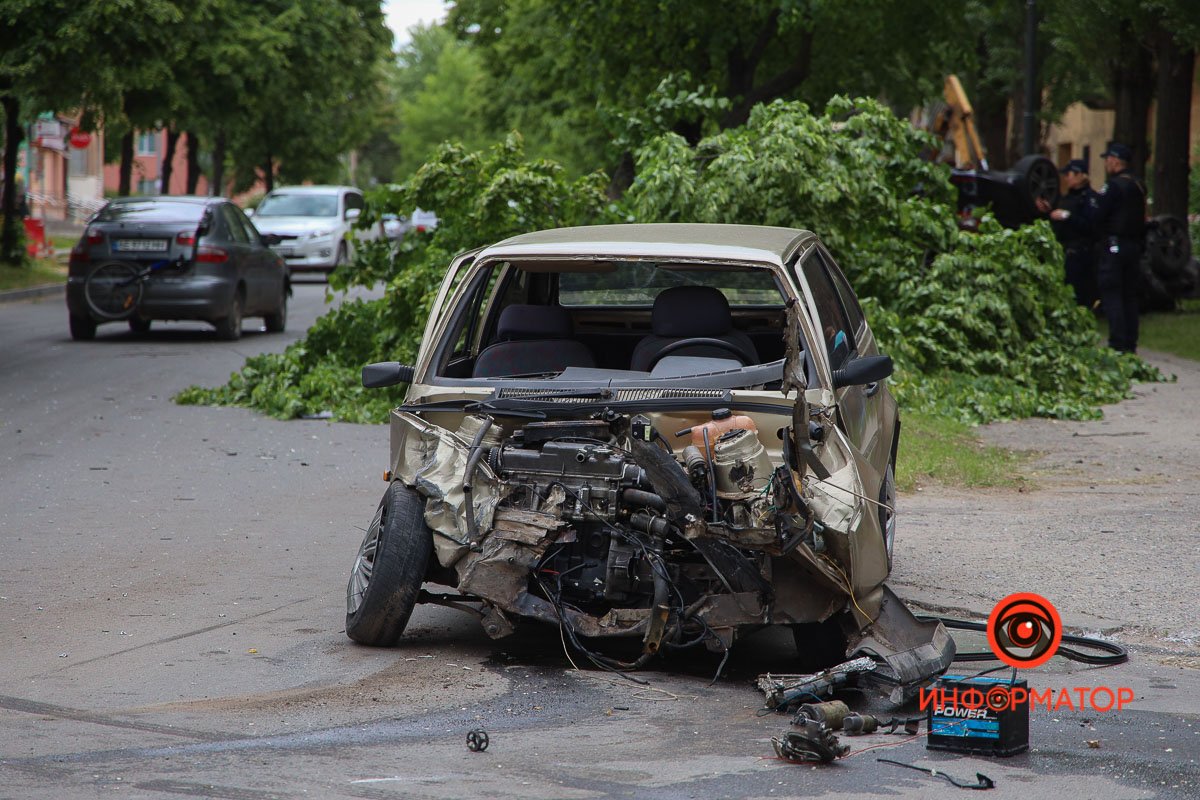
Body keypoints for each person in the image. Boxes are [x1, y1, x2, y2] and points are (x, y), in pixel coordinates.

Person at [1090, 142, 1146, 353]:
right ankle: (1130, 343)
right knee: (1130, 296)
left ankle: (1117, 344)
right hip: (1134, 247)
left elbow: (1098, 216)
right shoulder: (1139, 185)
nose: (1106, 163)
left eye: (1107, 160)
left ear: (1114, 161)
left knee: (1113, 295)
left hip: (1114, 246)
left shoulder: (1113, 187)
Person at [1035, 159, 1097, 307]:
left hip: (1080, 254)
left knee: (1078, 294)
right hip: (1064, 251)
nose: (1066, 178)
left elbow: (1091, 226)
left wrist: (1068, 216)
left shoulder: (1089, 198)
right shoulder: (1067, 198)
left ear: (1080, 175)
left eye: (1069, 174)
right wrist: (1049, 211)